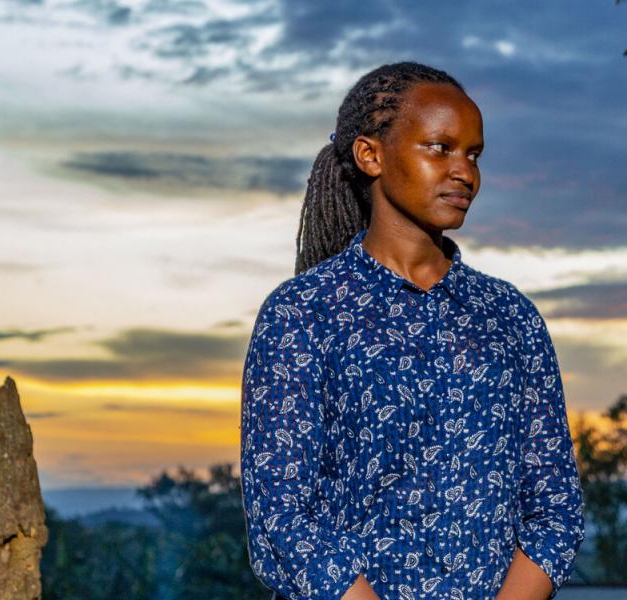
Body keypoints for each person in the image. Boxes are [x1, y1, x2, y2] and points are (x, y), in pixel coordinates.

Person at [239, 62, 583, 600]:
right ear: (370, 154)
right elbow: (282, 519)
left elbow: (555, 506)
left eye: (473, 154)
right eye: (439, 147)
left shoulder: (511, 317)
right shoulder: (302, 313)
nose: (464, 172)